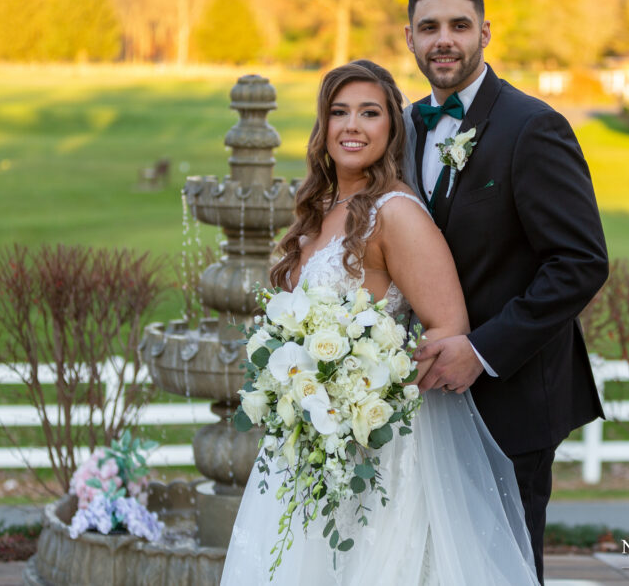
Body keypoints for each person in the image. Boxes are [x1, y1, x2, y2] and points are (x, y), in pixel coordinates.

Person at [221, 60, 540, 585]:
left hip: (377, 450)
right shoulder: (320, 208)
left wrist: (363, 402)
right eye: (338, 112)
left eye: (369, 113)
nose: (352, 126)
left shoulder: (396, 213)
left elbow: (447, 329)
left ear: (392, 127)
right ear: (322, 127)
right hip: (309, 446)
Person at [403, 0, 608, 583]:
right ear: (409, 37)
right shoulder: (403, 126)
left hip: (511, 399)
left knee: (506, 570)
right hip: (421, 406)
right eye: (430, 26)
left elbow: (580, 263)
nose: (445, 39)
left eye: (459, 25)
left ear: (485, 32)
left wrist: (483, 351)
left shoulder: (532, 127)